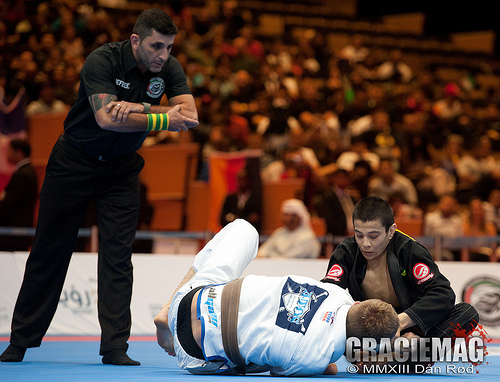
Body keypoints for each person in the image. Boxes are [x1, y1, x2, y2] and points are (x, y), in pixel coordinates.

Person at [0, 9, 199, 365]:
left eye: (169, 48)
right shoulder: (102, 60)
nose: (163, 56)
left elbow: (189, 115)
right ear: (136, 40)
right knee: (50, 250)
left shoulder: (168, 68)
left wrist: (138, 107)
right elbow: (107, 118)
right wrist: (159, 115)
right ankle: (20, 341)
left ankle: (114, 348)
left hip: (121, 171)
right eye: (156, 46)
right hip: (74, 161)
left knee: (118, 257)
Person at [154, 219, 399, 376]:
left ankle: (168, 307)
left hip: (193, 295)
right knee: (263, 356)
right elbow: (278, 371)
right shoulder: (315, 359)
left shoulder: (336, 293)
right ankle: (184, 332)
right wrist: (327, 367)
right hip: (194, 353)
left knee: (243, 229)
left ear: (356, 303)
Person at [322, 197, 478, 345]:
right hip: (367, 333)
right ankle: (401, 356)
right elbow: (328, 294)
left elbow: (443, 294)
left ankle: (404, 355)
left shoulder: (409, 250)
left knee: (467, 313)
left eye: (373, 236)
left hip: (409, 328)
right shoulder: (347, 251)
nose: (365, 244)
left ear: (391, 231)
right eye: (359, 235)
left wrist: (401, 323)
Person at [0, 139, 38, 251]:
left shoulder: (23, 174)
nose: (7, 155)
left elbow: (9, 204)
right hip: (17, 234)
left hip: (14, 235)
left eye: (10, 151)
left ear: (19, 152)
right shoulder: (27, 171)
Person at [219, 168, 262, 232]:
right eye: (239, 180)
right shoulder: (230, 198)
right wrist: (245, 218)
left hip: (247, 233)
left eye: (243, 179)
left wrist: (234, 218)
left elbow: (255, 220)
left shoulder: (255, 199)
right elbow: (222, 219)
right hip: (230, 232)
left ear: (249, 181)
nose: (241, 182)